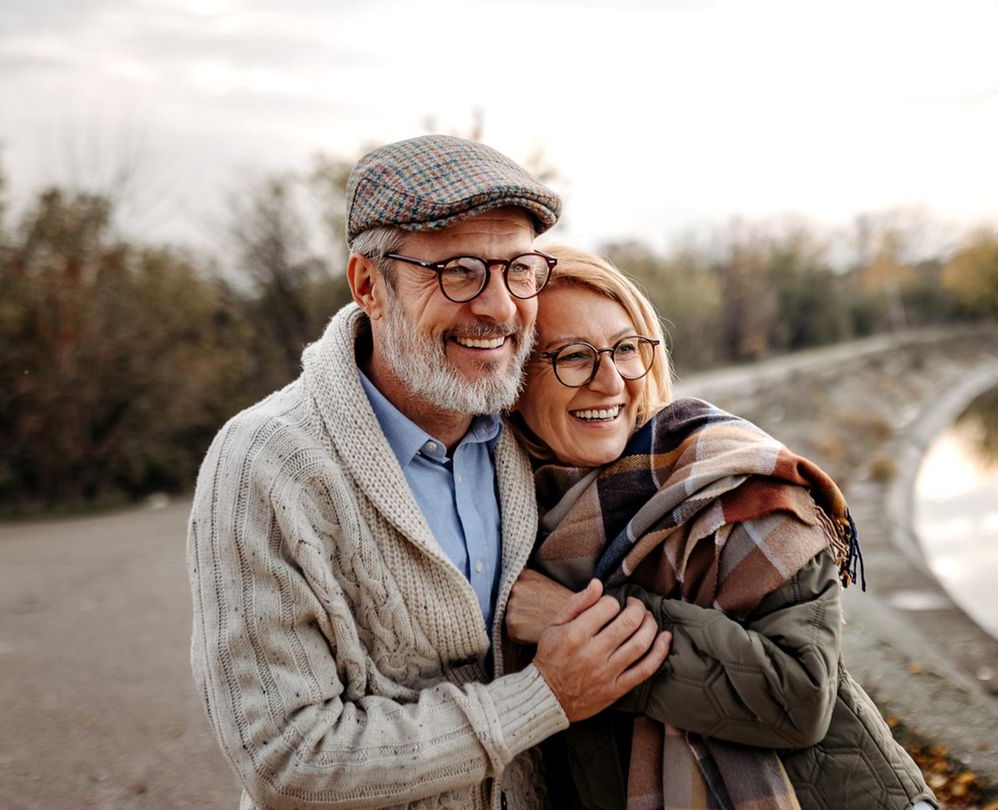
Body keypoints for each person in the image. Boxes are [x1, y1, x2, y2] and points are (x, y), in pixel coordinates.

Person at [186, 137, 670, 810]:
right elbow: (286, 756)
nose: (500, 306)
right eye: (459, 271)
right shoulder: (266, 464)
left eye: (519, 269)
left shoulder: (522, 433)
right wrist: (542, 698)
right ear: (368, 285)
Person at [505, 247, 938, 810]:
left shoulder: (738, 485)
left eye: (626, 349)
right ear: (514, 376)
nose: (610, 381)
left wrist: (579, 622)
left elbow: (799, 695)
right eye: (572, 356)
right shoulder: (509, 519)